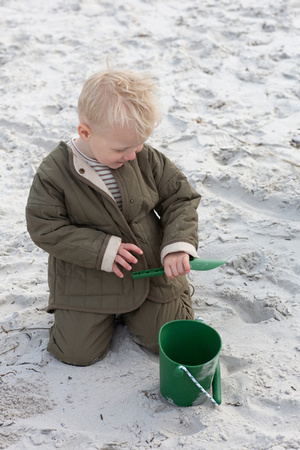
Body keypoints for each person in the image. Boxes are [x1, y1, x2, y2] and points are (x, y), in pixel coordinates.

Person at [26, 68, 201, 366]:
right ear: (85, 132)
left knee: (164, 339)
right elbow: (44, 226)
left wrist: (178, 245)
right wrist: (101, 249)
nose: (133, 154)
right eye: (122, 148)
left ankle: (169, 300)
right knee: (77, 354)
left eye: (139, 144)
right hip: (88, 275)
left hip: (147, 267)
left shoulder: (145, 157)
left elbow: (180, 197)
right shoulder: (55, 172)